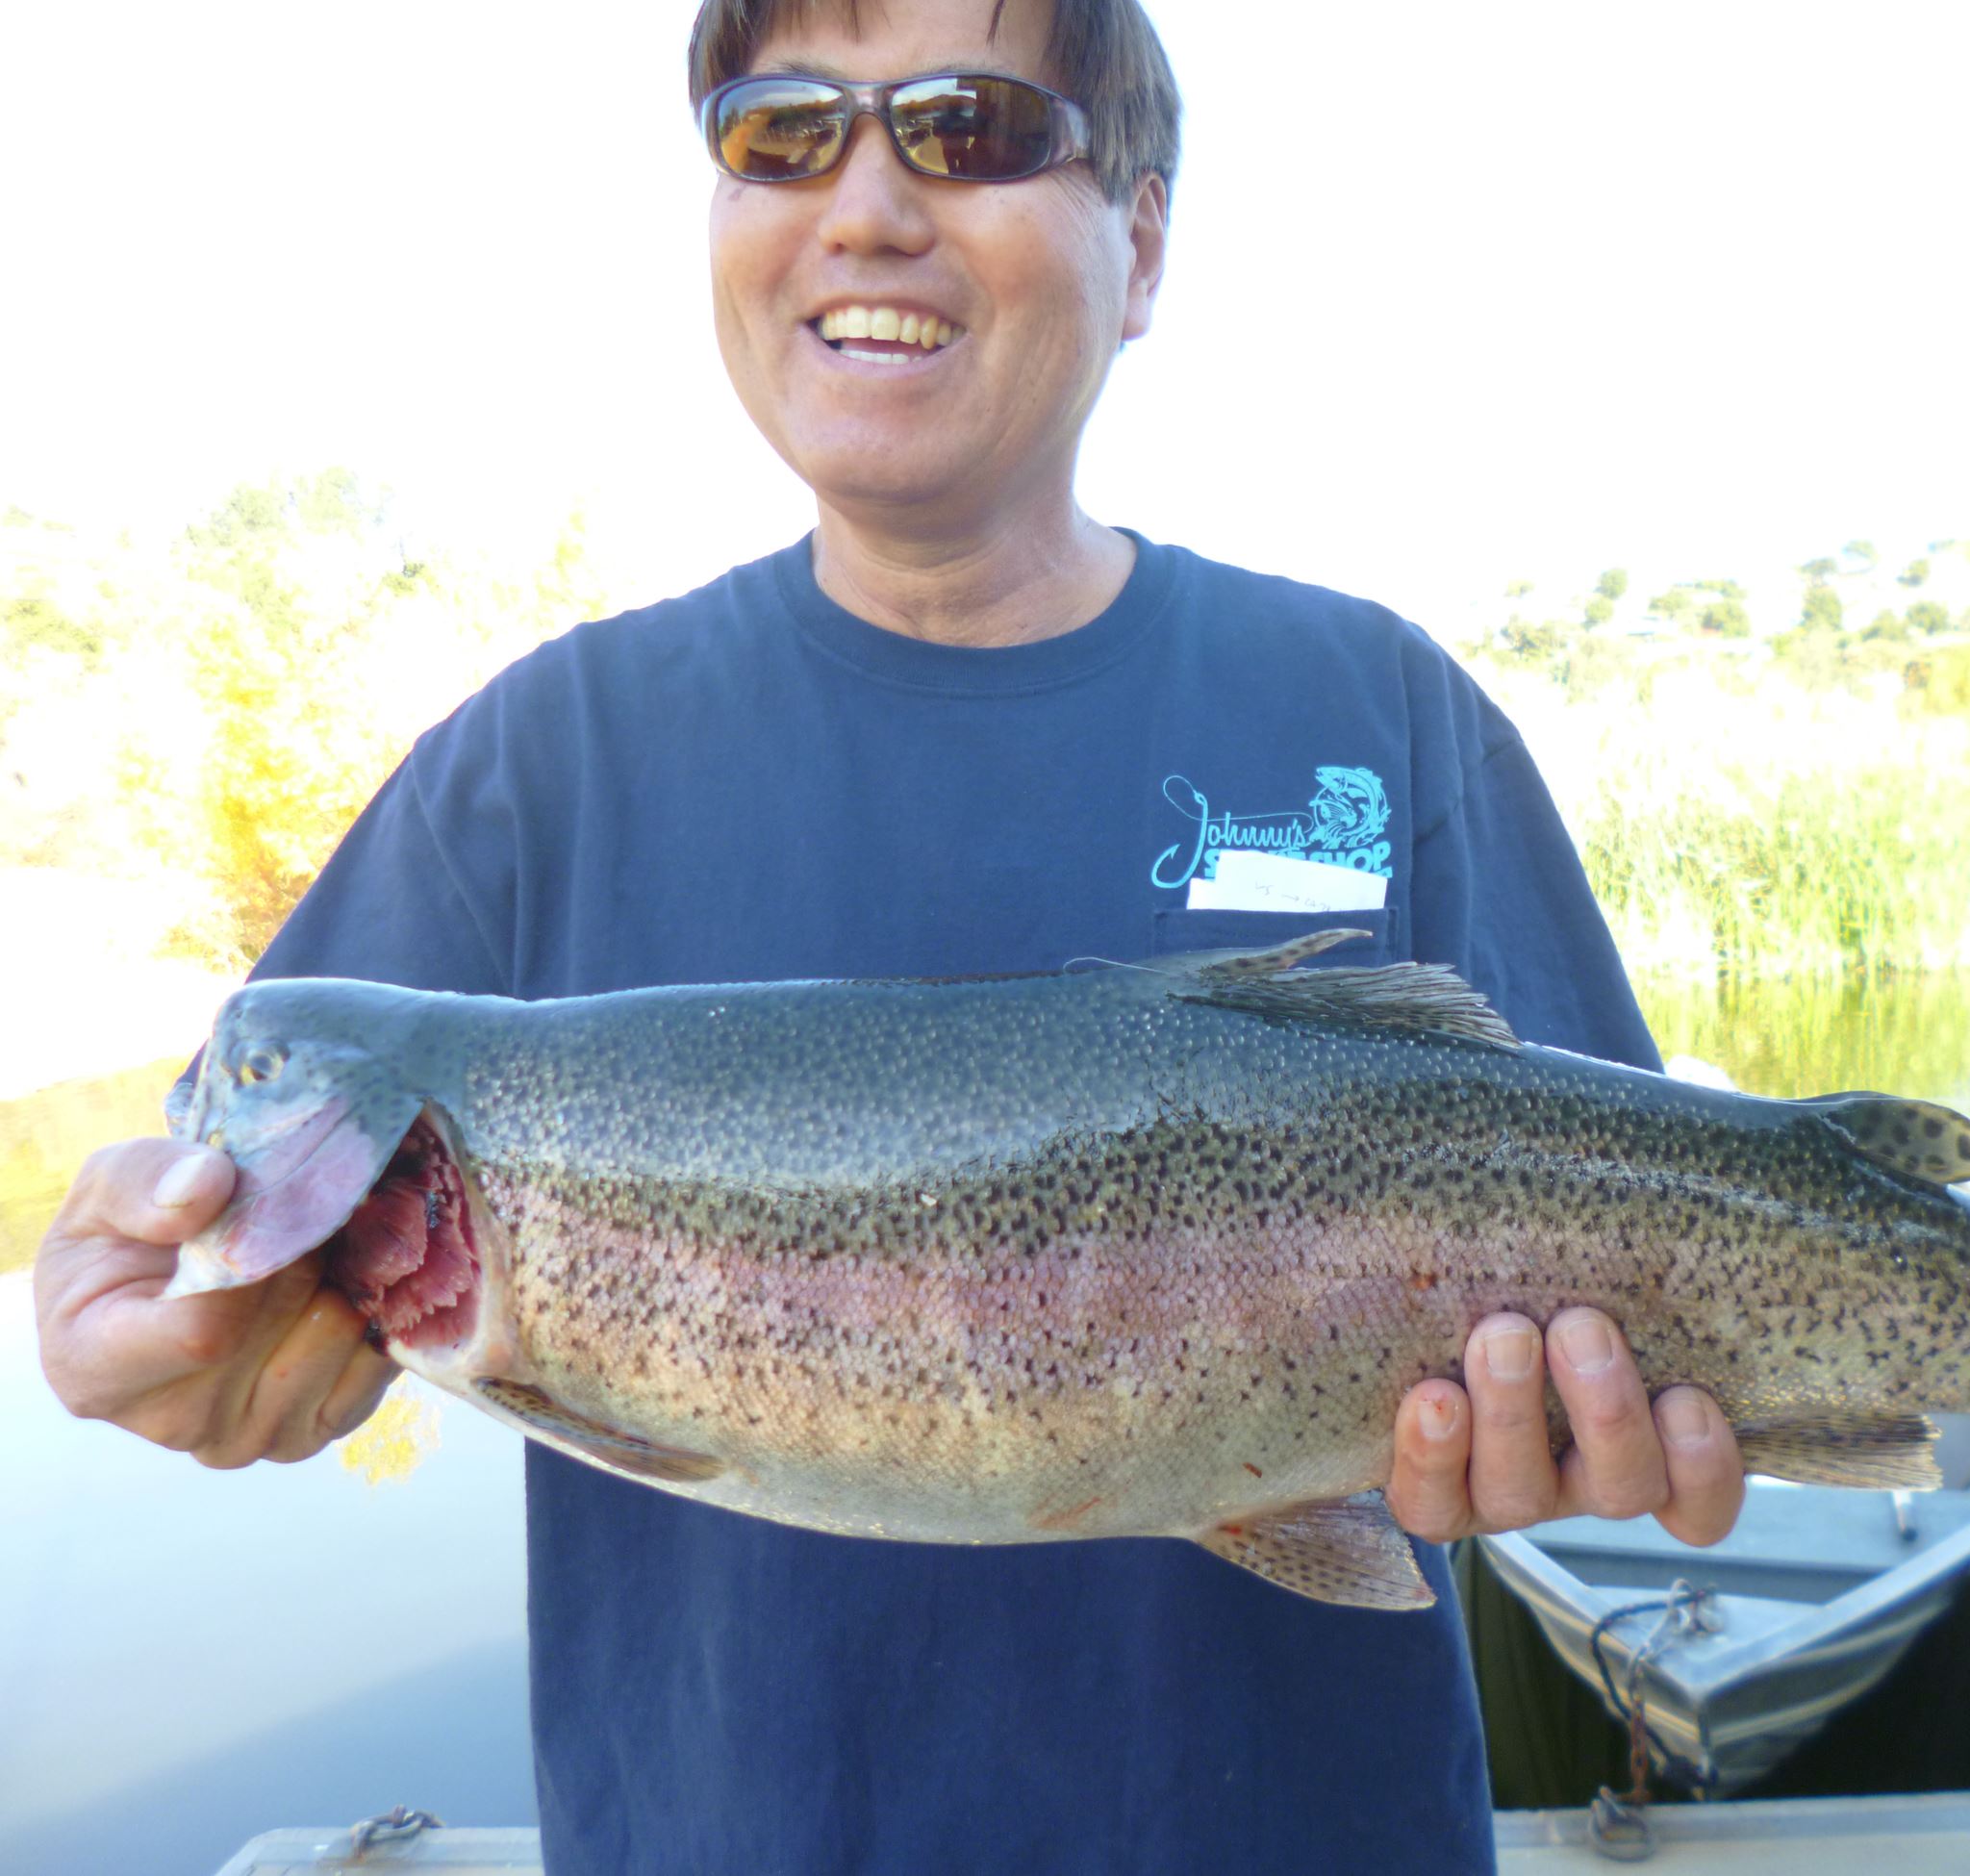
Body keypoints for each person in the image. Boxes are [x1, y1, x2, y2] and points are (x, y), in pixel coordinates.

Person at [33, 3, 1746, 1869]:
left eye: (973, 126)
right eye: (780, 133)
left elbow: (1647, 1250)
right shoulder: (533, 768)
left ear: (1145, 244)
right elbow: (238, 1234)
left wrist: (1594, 1425)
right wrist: (159, 1331)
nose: (863, 206)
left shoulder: (1381, 708)